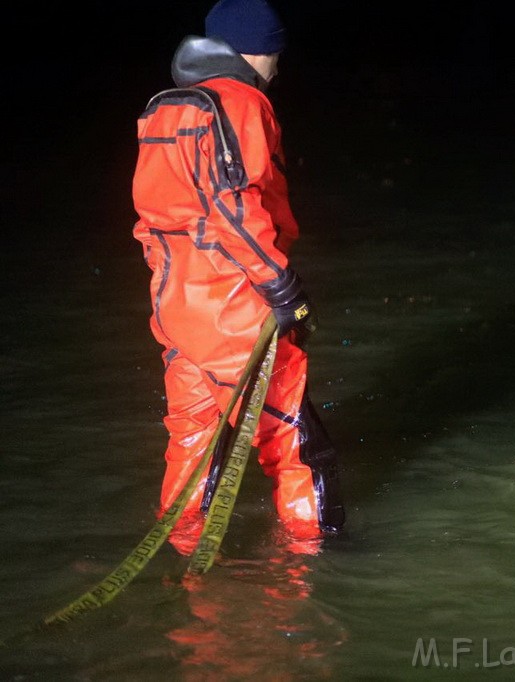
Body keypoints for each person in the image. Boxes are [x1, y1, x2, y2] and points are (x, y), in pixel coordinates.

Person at [131, 0, 346, 548]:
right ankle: (315, 553)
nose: (278, 67)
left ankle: (182, 550)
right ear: (261, 51)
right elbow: (234, 208)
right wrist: (280, 285)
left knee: (194, 438)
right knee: (295, 440)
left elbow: (156, 218)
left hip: (176, 303)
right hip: (237, 305)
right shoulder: (243, 101)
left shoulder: (164, 108)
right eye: (277, 54)